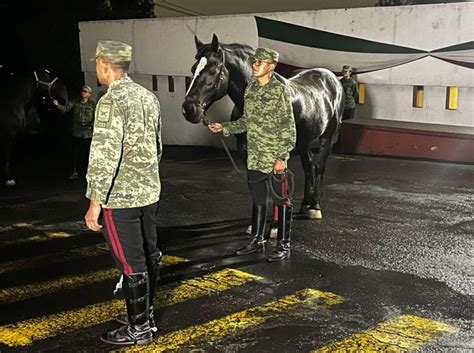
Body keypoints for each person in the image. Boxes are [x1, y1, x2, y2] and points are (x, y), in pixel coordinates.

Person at [84, 40, 162, 346]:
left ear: (105, 64)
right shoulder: (148, 97)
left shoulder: (111, 100)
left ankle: (138, 328)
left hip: (120, 198)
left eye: (97, 64)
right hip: (148, 193)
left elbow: (104, 155)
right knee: (148, 254)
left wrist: (95, 202)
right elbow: (157, 148)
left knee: (132, 264)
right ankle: (145, 313)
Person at [209, 48, 296, 262]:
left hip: (274, 158)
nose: (254, 65)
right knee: (258, 200)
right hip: (255, 156)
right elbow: (246, 121)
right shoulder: (251, 89)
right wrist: (225, 127)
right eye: (254, 61)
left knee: (281, 200)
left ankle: (284, 244)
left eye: (260, 61)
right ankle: (257, 239)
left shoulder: (279, 90)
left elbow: (288, 126)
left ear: (272, 66)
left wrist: (281, 157)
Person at [53, 85, 95, 179]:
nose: (83, 93)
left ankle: (86, 172)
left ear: (89, 94)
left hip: (87, 133)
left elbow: (95, 117)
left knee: (86, 154)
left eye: (85, 91)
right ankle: (74, 171)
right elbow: (66, 109)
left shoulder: (92, 104)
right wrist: (57, 105)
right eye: (82, 91)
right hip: (77, 132)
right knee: (75, 154)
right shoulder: (75, 102)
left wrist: (91, 126)